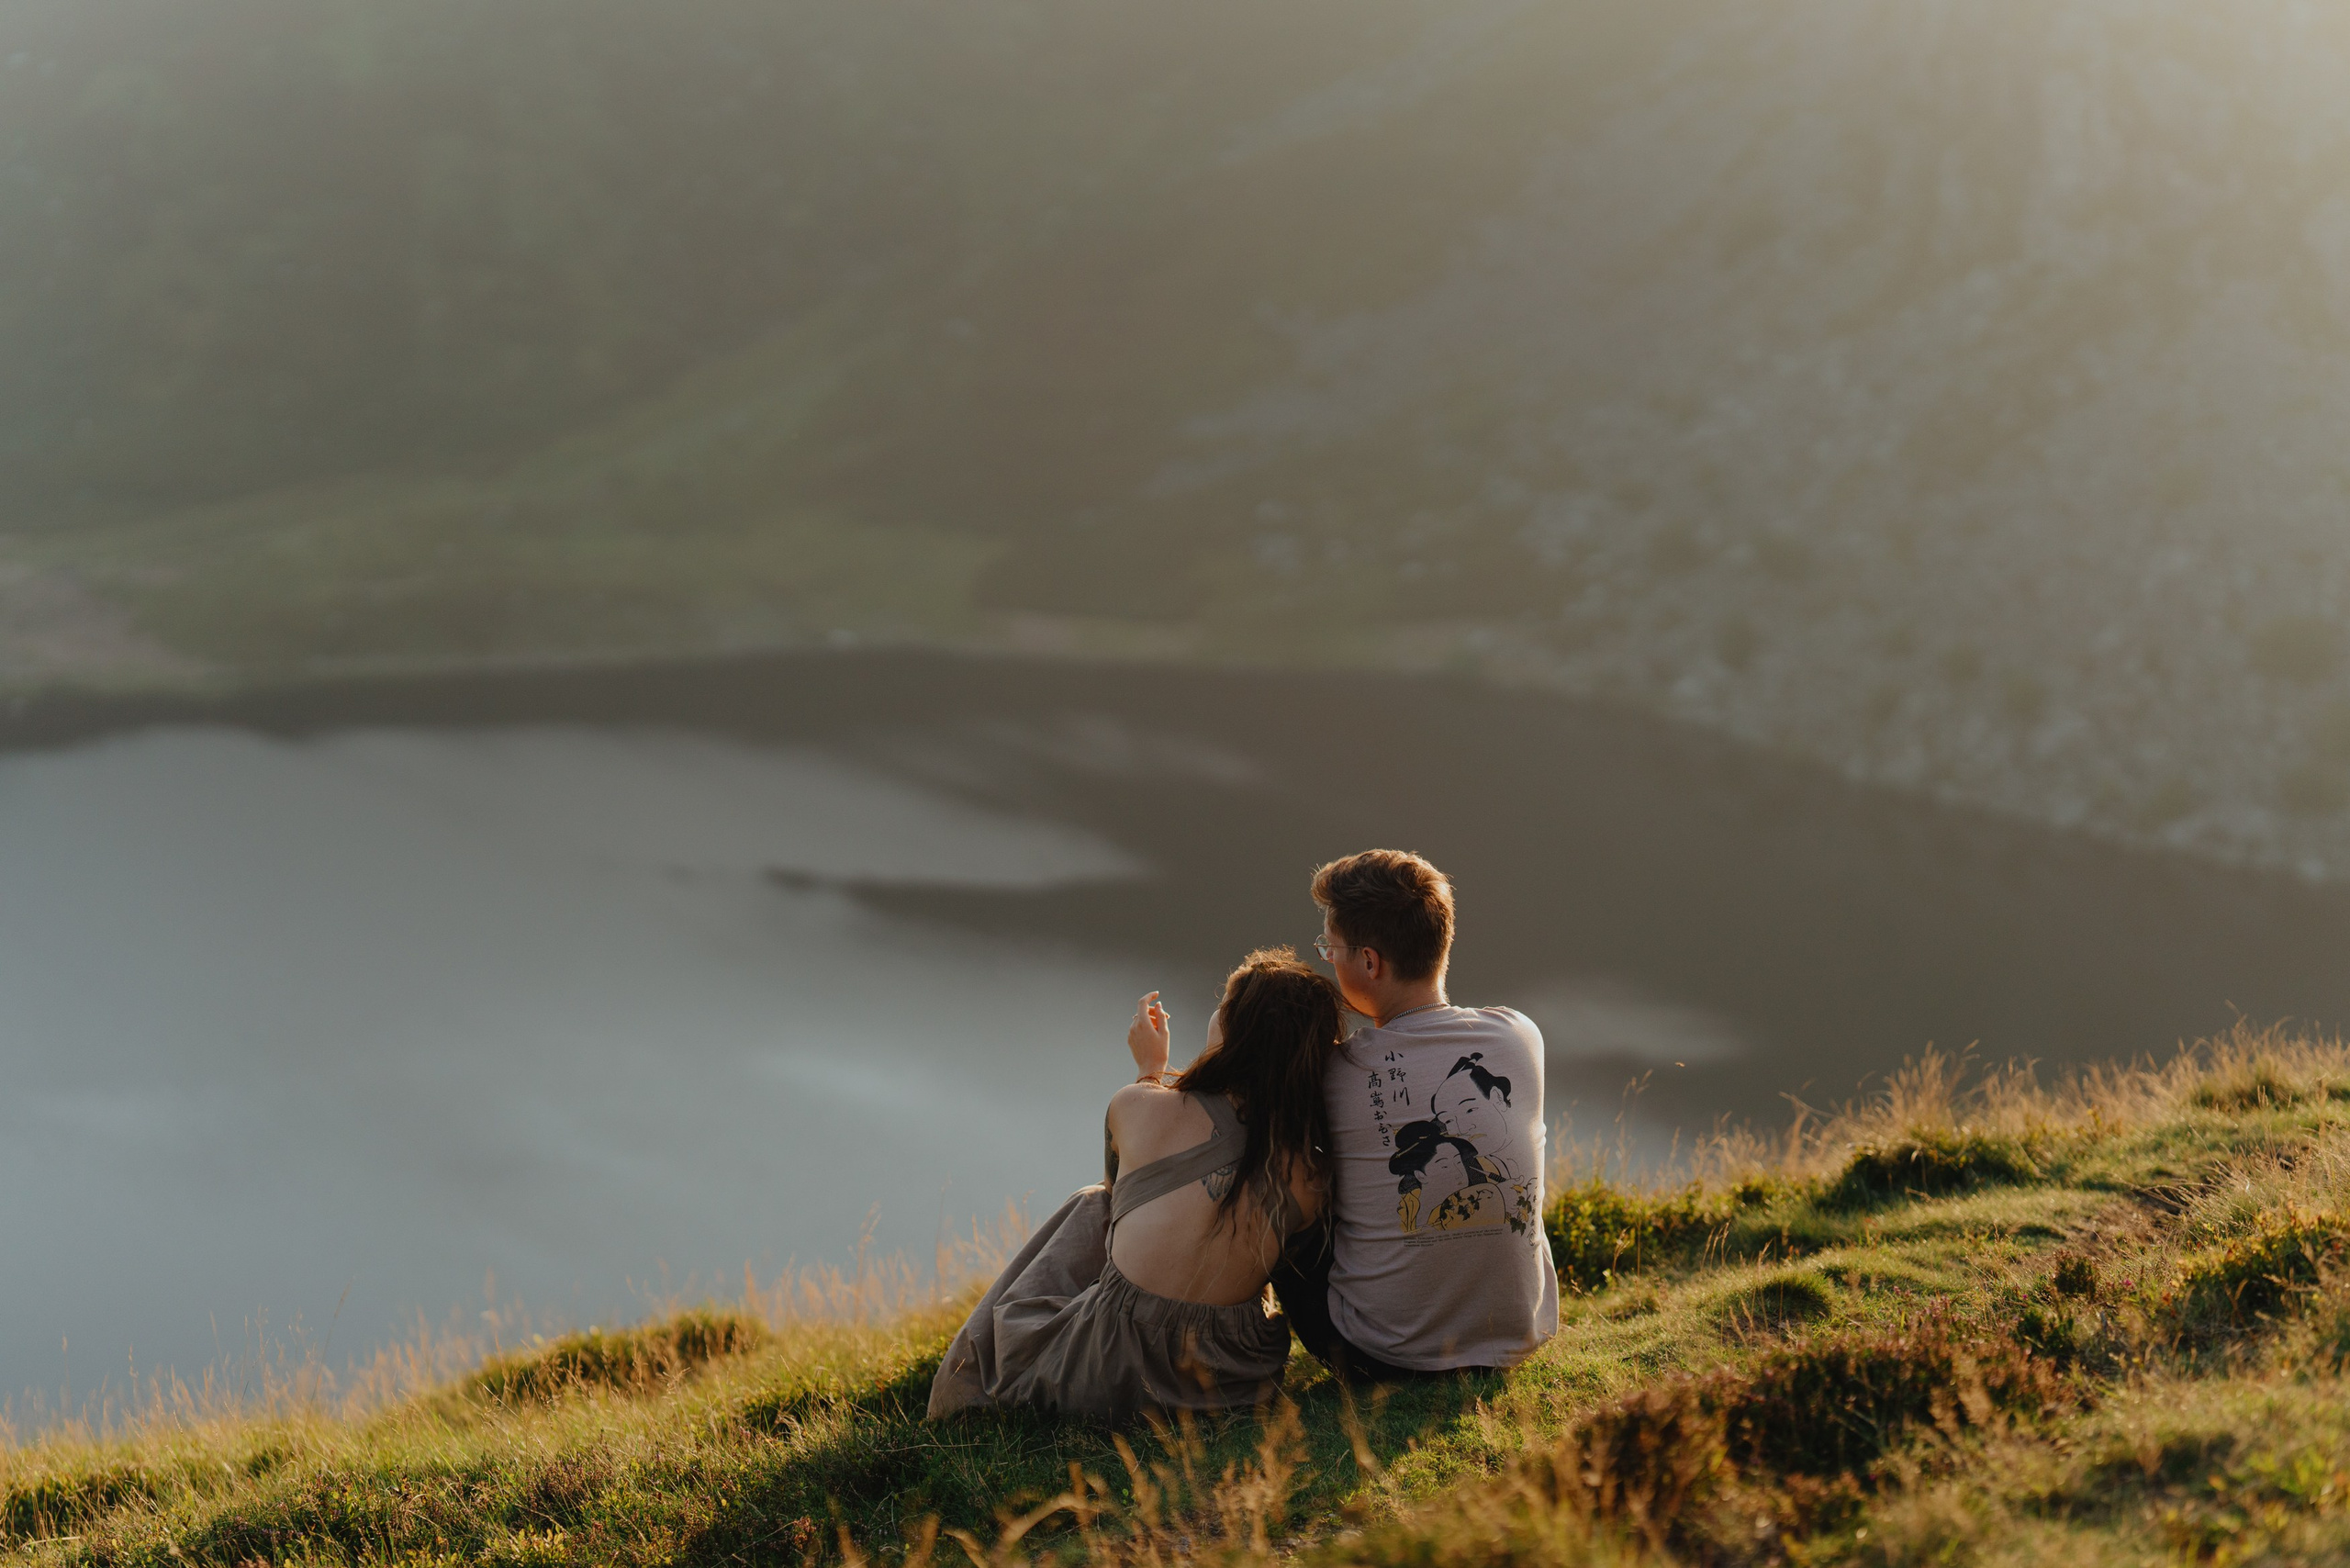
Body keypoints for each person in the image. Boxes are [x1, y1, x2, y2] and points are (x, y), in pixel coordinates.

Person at [926, 948, 1342, 1421]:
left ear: (1232, 1030)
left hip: (1107, 1370)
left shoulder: (1138, 1106)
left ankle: (958, 1388)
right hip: (1228, 1380)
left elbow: (1118, 1196)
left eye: (1222, 1007)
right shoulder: (1313, 1174)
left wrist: (1150, 1071)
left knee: (1091, 1203)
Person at [1272, 848, 1558, 1382]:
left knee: (1287, 1190)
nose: (1327, 960)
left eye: (1329, 947)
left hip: (1378, 1355)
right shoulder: (1520, 1034)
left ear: (1370, 962)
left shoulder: (1336, 1069)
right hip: (1518, 1333)